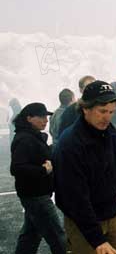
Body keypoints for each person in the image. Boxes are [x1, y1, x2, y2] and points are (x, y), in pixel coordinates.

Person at [54, 80, 116, 254]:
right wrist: (97, 240)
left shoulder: (110, 131)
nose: (107, 117)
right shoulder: (69, 144)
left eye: (112, 112)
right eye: (102, 111)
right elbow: (76, 199)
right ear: (85, 109)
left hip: (112, 212)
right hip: (82, 220)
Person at [10, 102, 66, 254]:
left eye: (46, 117)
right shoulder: (25, 139)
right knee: (58, 237)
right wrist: (43, 170)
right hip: (36, 195)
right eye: (41, 117)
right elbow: (16, 168)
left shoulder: (30, 136)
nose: (45, 120)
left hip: (33, 194)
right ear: (29, 118)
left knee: (31, 235)